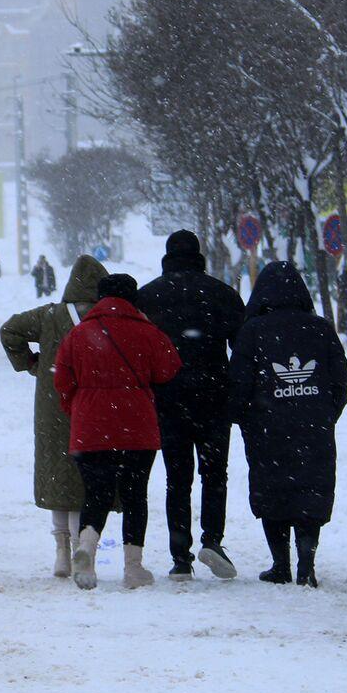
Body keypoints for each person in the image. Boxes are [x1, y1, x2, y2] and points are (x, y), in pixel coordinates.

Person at [54, 274, 182, 590]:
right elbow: (169, 369)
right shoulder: (147, 330)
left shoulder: (79, 333)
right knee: (134, 495)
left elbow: (62, 380)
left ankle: (86, 550)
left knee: (95, 494)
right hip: (136, 425)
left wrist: (80, 408)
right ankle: (133, 568)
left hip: (91, 426)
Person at [228, 261, 347, 588]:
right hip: (313, 428)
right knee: (311, 491)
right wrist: (324, 413)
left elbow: (237, 384)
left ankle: (280, 563)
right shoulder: (321, 329)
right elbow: (340, 381)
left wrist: (247, 418)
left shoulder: (252, 332)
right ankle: (307, 563)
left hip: (267, 429)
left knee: (274, 492)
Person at [135, 230, 245, 581]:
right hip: (214, 397)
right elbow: (242, 349)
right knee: (215, 474)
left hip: (168, 400)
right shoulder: (221, 294)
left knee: (176, 479)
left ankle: (180, 557)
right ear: (198, 254)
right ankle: (212, 540)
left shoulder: (148, 297)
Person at [0, 255, 109, 579]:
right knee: (87, 479)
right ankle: (81, 547)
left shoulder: (50, 316)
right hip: (94, 405)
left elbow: (10, 330)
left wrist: (33, 364)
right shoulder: (105, 318)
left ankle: (61, 552)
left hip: (53, 404)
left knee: (57, 477)